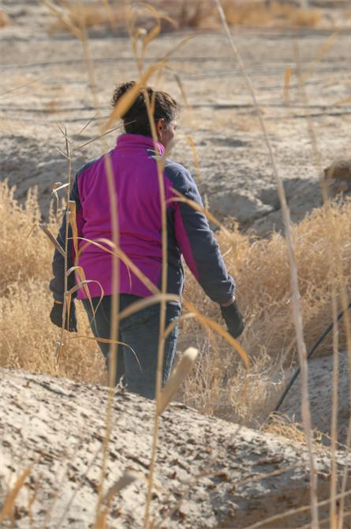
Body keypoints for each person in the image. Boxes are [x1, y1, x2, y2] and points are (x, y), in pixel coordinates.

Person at [49, 81, 245, 400]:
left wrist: (62, 297)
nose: (174, 135)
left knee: (118, 394)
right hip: (149, 296)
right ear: (161, 125)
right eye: (175, 127)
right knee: (144, 398)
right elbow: (200, 248)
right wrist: (227, 300)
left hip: (96, 295)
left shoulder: (89, 173)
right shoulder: (172, 175)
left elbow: (69, 241)